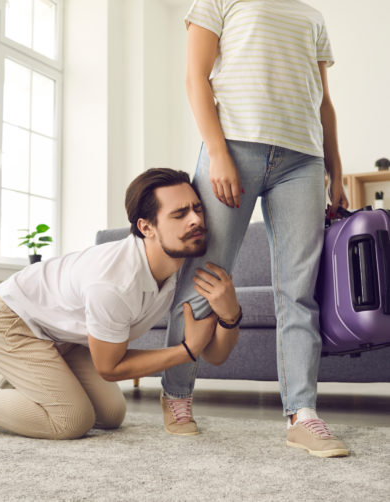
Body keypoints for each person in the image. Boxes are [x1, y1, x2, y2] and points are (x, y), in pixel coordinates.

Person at [160, 0, 350, 458]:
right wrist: (217, 151)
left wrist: (336, 170)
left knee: (298, 290)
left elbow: (323, 101)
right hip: (235, 146)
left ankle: (303, 414)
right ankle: (177, 394)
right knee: (204, 277)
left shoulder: (313, 16)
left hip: (303, 160)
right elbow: (195, 77)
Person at [0, 168, 241, 439]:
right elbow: (109, 368)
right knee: (72, 420)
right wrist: (186, 351)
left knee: (110, 415)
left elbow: (216, 356)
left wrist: (230, 315)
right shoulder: (114, 283)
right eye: (180, 214)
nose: (196, 220)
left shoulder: (189, 265)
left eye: (197, 209)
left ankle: (26, 383)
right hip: (7, 320)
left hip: (62, 336)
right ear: (147, 227)